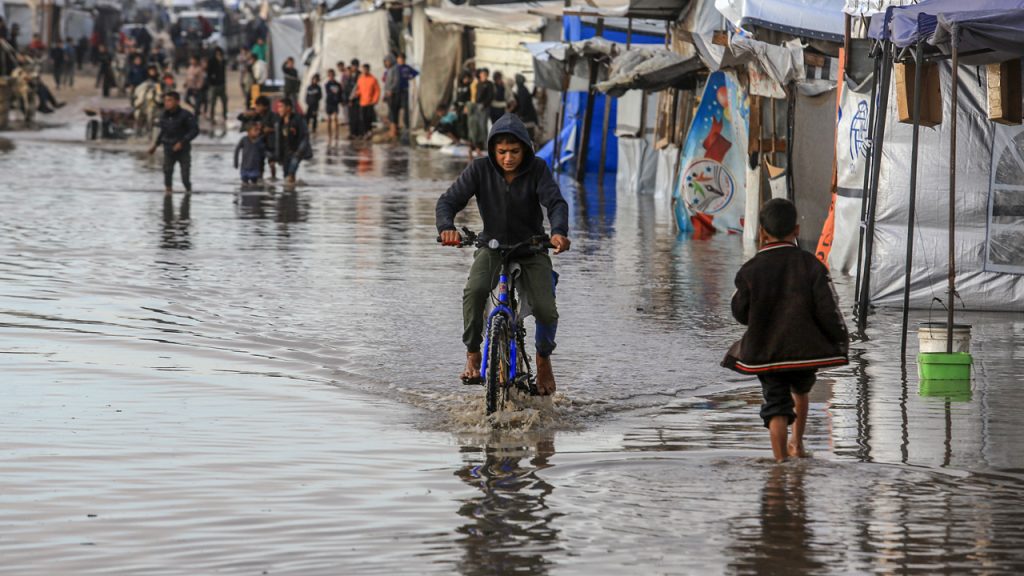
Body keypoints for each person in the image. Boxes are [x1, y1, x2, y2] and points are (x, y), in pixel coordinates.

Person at [436, 113, 570, 395]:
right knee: (474, 292)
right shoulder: (479, 169)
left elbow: (555, 203)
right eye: (502, 152)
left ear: (525, 149)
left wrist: (558, 232)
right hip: (492, 246)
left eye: (514, 151)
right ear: (492, 151)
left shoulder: (538, 169)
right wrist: (446, 227)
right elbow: (449, 200)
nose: (508, 158)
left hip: (532, 247)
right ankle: (473, 353)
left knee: (546, 308)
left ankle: (544, 359)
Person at [721, 198, 849, 462]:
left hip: (767, 350)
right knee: (801, 392)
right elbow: (829, 309)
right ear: (797, 230)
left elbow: (739, 311)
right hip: (804, 349)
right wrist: (839, 338)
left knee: (776, 405)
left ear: (762, 233)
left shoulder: (750, 270)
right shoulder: (812, 265)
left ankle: (780, 463)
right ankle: (797, 445)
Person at [148, 91, 199, 195]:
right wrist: (155, 145)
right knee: (167, 171)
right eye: (165, 100)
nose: (167, 103)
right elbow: (163, 132)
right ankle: (168, 193)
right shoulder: (163, 115)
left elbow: (194, 130)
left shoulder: (186, 115)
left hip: (183, 149)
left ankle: (188, 191)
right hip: (168, 148)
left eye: (170, 100)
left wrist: (182, 142)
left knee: (185, 176)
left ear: (177, 101)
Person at [237, 95, 279, 179]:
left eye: (259, 106)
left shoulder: (272, 116)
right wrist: (246, 114)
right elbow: (240, 118)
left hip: (270, 144)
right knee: (259, 163)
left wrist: (269, 129)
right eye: (256, 106)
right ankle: (260, 178)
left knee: (272, 163)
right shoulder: (255, 115)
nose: (257, 108)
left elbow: (278, 128)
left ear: (265, 107)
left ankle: (273, 178)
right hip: (258, 144)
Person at [272, 97, 310, 185]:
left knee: (290, 173)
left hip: (296, 152)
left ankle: (291, 193)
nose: (279, 109)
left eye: (281, 107)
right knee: (286, 176)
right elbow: (277, 139)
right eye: (278, 107)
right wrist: (276, 155)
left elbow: (305, 135)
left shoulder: (298, 119)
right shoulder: (279, 121)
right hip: (285, 153)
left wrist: (300, 151)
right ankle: (290, 194)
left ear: (288, 108)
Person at [470, 68, 494, 153]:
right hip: (477, 106)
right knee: (477, 125)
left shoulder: (489, 84)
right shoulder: (478, 83)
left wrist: (484, 105)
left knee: (483, 125)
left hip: (484, 107)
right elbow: (476, 96)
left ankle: (485, 144)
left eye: (485, 74)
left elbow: (490, 96)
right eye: (482, 74)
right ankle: (478, 143)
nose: (483, 76)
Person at [356, 63, 380, 140]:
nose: (364, 71)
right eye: (363, 69)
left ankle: (369, 131)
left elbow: (377, 90)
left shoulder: (373, 79)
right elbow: (359, 89)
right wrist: (357, 94)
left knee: (369, 118)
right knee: (363, 118)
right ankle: (365, 132)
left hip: (370, 102)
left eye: (366, 69)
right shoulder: (360, 79)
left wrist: (375, 99)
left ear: (368, 70)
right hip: (362, 102)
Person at [206, 47, 228, 124]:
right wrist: (210, 82)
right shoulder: (212, 61)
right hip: (214, 85)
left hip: (222, 84)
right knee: (212, 102)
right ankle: (212, 117)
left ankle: (224, 116)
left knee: (224, 101)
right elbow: (209, 73)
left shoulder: (223, 61)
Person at [324, 68, 342, 142]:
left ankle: (336, 134)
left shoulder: (338, 84)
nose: (331, 76)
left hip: (335, 103)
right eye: (329, 75)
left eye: (332, 75)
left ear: (334, 75)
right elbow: (329, 92)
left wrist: (340, 100)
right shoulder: (327, 84)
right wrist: (334, 92)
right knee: (329, 119)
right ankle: (329, 134)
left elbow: (340, 93)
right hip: (329, 102)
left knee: (335, 118)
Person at [345, 59, 361, 137]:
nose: (353, 67)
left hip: (358, 98)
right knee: (351, 116)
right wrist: (348, 99)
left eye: (355, 65)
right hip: (350, 98)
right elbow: (347, 87)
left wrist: (353, 97)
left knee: (358, 116)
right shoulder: (350, 75)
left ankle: (358, 133)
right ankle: (352, 132)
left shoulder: (360, 75)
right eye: (352, 65)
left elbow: (359, 87)